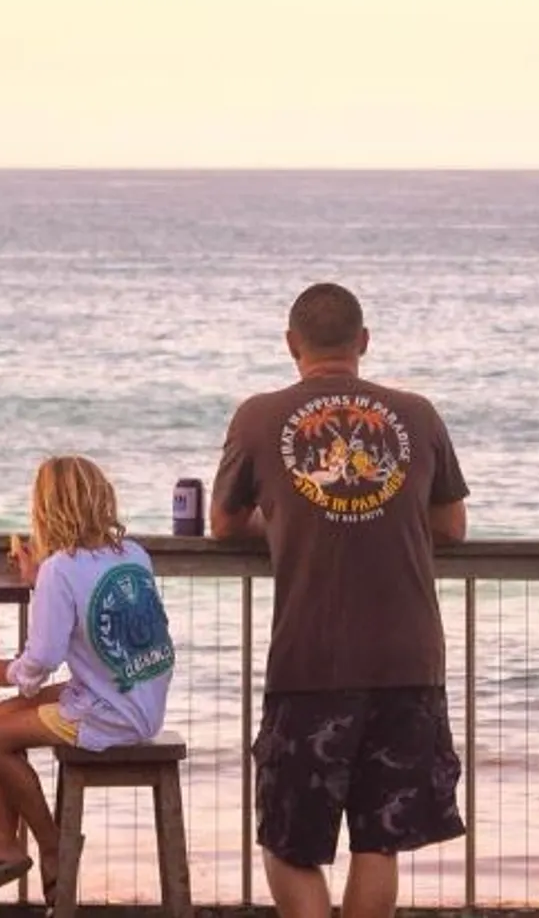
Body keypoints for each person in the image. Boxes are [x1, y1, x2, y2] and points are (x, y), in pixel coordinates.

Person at [211, 283, 468, 918]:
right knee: (380, 842)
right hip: (407, 657)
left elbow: (222, 523)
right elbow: (452, 525)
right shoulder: (419, 414)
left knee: (289, 841)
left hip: (310, 660)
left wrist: (284, 524)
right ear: (363, 343)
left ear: (292, 345)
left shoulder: (258, 417)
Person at [0, 456, 175, 908]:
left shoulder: (60, 568)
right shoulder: (133, 553)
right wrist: (41, 579)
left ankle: (52, 845)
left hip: (112, 714)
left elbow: (43, 656)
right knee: (3, 715)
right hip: (139, 697)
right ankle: (4, 839)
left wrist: (10, 672)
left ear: (44, 509)